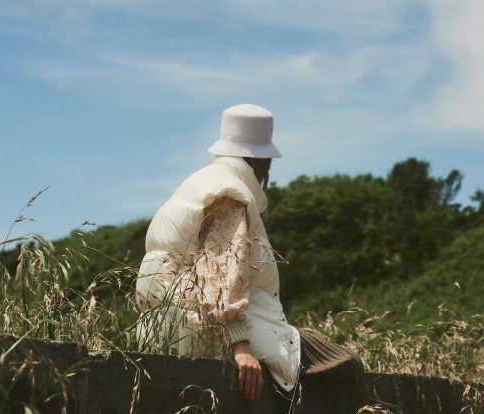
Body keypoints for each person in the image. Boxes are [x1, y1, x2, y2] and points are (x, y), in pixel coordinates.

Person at [136, 104, 367, 413]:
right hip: (206, 327)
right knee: (345, 365)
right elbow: (217, 273)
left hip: (168, 326)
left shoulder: (202, 181)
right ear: (261, 160)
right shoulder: (229, 192)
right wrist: (240, 344)